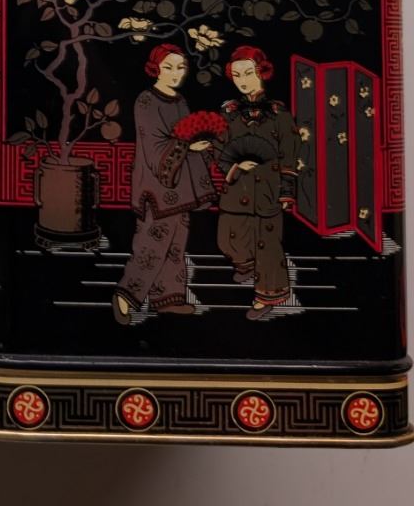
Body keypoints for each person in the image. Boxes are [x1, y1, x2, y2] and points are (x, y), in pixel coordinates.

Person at [113, 44, 217, 324]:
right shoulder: (146, 101)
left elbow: (186, 136)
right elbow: (154, 146)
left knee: (175, 246)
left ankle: (169, 299)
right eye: (168, 67)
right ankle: (125, 295)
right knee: (151, 246)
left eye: (181, 67)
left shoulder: (180, 101)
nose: (175, 73)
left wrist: (198, 146)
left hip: (180, 187)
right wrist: (187, 146)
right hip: (157, 186)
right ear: (156, 68)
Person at [216, 44, 299, 320]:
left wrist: (286, 192)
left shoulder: (279, 114)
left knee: (268, 245)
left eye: (248, 73)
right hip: (237, 186)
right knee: (228, 240)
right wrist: (234, 167)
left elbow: (290, 153)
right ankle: (245, 264)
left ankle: (267, 296)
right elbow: (219, 150)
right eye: (237, 74)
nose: (242, 80)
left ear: (262, 72)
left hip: (267, 189)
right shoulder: (229, 113)